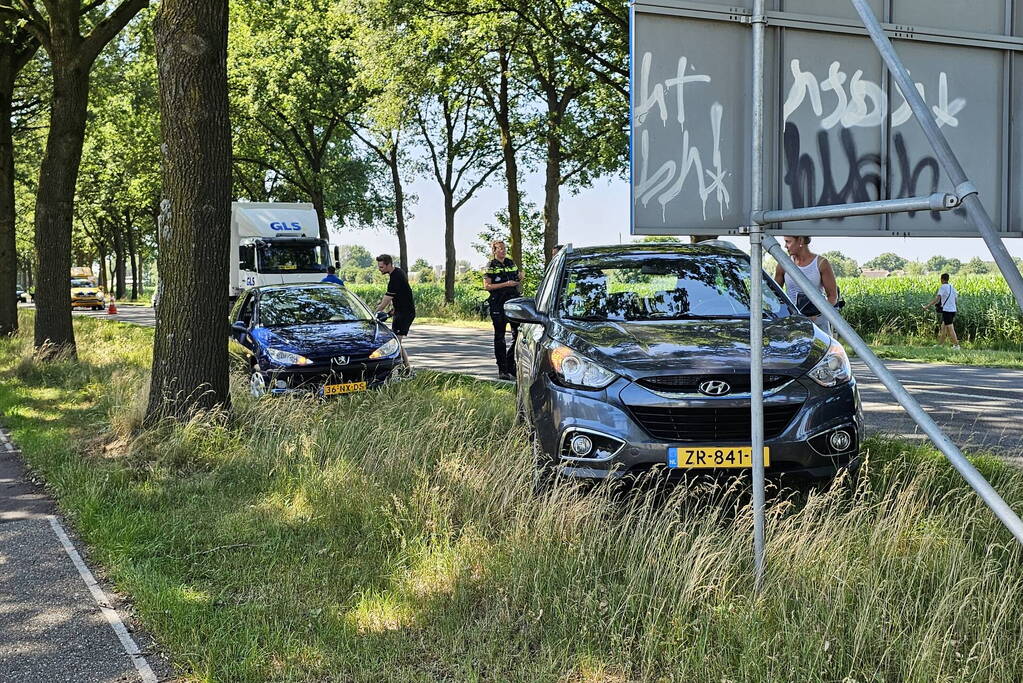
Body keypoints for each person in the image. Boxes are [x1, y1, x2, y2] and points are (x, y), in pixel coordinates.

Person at [773, 236, 838, 335]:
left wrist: (818, 316)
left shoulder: (821, 263)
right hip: (792, 322)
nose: (785, 246)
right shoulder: (783, 264)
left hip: (817, 324)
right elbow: (774, 295)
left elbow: (833, 296)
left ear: (800, 240)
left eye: (788, 242)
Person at [483, 240, 522, 380]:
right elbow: (487, 286)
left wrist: (520, 277)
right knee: (500, 336)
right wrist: (506, 284)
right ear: (494, 251)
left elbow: (517, 277)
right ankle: (502, 369)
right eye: (500, 249)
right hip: (498, 303)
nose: (503, 251)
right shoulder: (491, 265)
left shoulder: (511, 262)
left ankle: (510, 363)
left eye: (504, 248)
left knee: (518, 335)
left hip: (513, 301)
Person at [375, 254, 415, 370]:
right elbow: (401, 294)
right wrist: (394, 309)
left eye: (381, 267)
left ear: (388, 265)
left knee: (396, 343)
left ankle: (406, 369)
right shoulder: (398, 272)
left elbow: (385, 301)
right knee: (397, 342)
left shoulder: (395, 278)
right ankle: (407, 369)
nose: (379, 269)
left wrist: (373, 314)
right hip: (400, 312)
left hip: (404, 313)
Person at [922, 272, 960, 349]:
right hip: (953, 310)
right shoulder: (952, 288)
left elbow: (937, 299)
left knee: (950, 328)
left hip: (947, 311)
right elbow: (956, 300)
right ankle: (940, 344)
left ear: (942, 279)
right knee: (943, 328)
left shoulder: (943, 287)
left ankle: (956, 345)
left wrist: (927, 306)